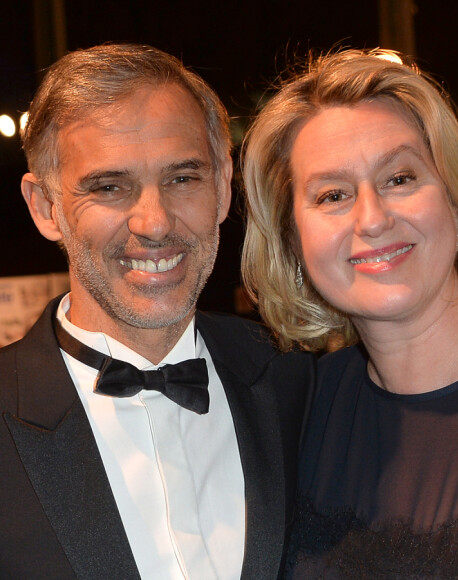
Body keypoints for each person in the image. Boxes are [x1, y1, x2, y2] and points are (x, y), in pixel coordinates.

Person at [241, 49, 458, 577]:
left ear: (456, 198)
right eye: (332, 194)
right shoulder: (302, 409)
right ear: (293, 240)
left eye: (399, 178)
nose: (372, 219)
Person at [0, 43, 314, 580]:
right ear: (46, 207)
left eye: (182, 178)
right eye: (109, 186)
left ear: (221, 186)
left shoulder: (299, 381)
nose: (154, 222)